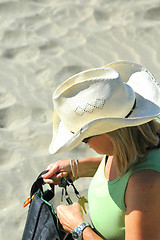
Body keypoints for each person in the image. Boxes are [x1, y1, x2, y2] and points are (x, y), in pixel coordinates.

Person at [42, 60, 160, 240]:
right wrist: (78, 168)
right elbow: (129, 167)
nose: (84, 143)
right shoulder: (146, 133)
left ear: (110, 132)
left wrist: (79, 228)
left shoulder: (145, 185)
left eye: (85, 137)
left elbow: (137, 177)